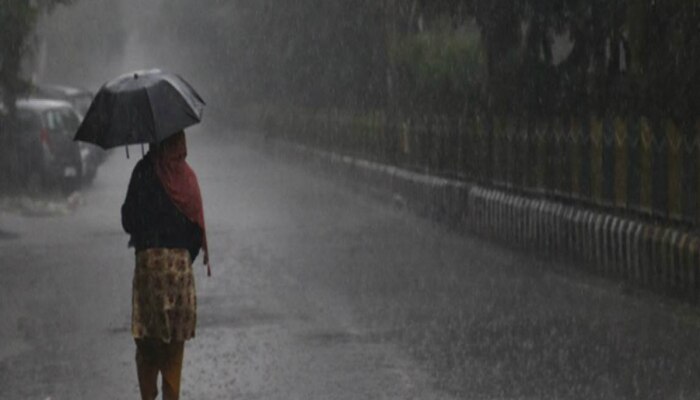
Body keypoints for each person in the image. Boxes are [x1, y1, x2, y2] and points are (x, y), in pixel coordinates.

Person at [121, 131, 210, 400]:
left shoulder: (144, 172)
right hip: (179, 273)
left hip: (149, 271)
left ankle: (148, 396)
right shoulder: (187, 177)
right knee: (173, 351)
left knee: (148, 344)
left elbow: (128, 220)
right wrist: (180, 258)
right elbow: (196, 231)